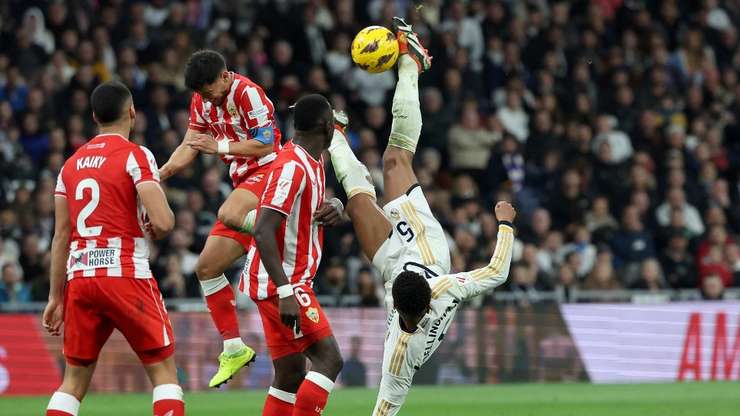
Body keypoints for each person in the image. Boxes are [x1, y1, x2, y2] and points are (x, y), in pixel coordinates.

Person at [326, 18, 514, 415]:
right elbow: (497, 272)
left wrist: (503, 224)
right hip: (427, 252)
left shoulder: (398, 355)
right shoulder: (445, 287)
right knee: (395, 159)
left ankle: (335, 133)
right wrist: (506, 223)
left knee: (359, 202)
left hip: (398, 264)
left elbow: (382, 411)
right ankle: (411, 60)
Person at [42, 81, 183, 416]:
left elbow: (61, 236)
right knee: (164, 374)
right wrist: (152, 221)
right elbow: (164, 223)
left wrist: (55, 297)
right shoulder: (136, 155)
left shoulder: (70, 165)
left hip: (80, 280)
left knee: (73, 382)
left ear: (94, 116)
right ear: (132, 112)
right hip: (125, 274)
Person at [158, 50, 281, 387]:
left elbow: (267, 143)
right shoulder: (201, 101)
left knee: (228, 211)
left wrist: (222, 148)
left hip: (273, 173)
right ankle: (233, 347)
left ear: (225, 75)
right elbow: (191, 144)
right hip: (246, 185)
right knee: (207, 267)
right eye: (201, 91)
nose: (208, 96)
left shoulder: (247, 92)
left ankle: (283, 230)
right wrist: (158, 175)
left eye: (210, 88)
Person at [241, 94, 344, 416]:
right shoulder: (291, 167)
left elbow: (306, 209)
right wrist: (286, 291)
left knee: (289, 375)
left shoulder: (313, 160)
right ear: (328, 127)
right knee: (329, 359)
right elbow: (262, 229)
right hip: (283, 284)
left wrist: (336, 204)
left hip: (282, 281)